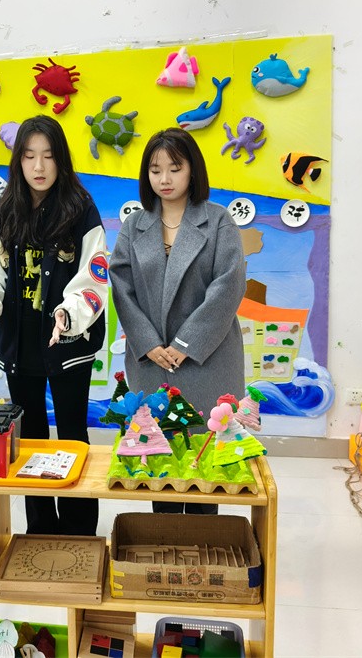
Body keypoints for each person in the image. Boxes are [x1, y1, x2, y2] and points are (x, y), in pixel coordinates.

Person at [0, 115, 106, 535]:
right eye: (29, 156)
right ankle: (41, 530)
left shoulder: (81, 209)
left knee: (73, 434)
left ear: (61, 159)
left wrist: (69, 313)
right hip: (20, 343)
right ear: (18, 161)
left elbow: (94, 274)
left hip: (70, 343)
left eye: (48, 156)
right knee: (29, 438)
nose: (39, 167)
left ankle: (80, 531)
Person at [109, 128, 246, 514]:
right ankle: (163, 545)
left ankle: (203, 548)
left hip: (208, 360)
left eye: (175, 168)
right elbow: (121, 288)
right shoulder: (134, 226)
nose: (164, 179)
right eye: (155, 170)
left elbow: (228, 286)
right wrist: (148, 342)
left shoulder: (218, 221)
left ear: (192, 170)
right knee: (159, 465)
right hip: (152, 361)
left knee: (206, 474)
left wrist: (185, 344)